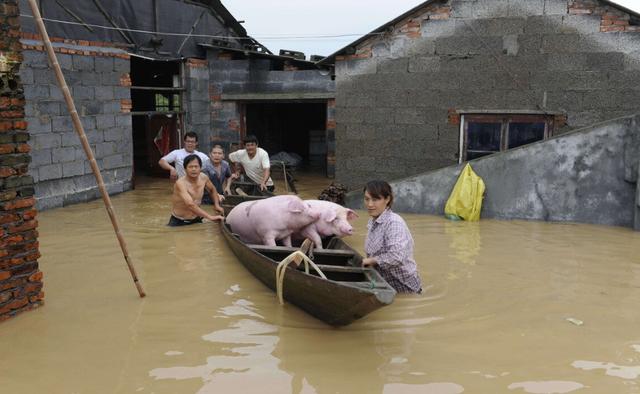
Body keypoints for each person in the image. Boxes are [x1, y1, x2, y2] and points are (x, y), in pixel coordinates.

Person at [361, 180, 422, 293]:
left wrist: (372, 260)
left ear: (387, 199)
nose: (369, 204)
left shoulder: (394, 223)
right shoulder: (372, 221)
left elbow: (396, 256)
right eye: (367, 199)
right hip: (386, 285)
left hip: (405, 287)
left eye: (375, 199)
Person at [168, 154, 224, 226]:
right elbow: (190, 204)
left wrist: (216, 205)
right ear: (185, 169)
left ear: (200, 168)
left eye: (196, 166)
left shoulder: (203, 177)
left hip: (196, 218)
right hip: (179, 221)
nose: (194, 169)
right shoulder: (180, 183)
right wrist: (210, 217)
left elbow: (212, 189)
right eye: (190, 167)